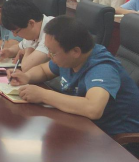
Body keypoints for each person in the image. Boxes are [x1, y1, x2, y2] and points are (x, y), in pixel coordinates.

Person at [8, 16, 139, 143]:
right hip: (84, 127)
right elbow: (44, 70)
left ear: (75, 51)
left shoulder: (102, 68)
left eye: (53, 52)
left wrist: (43, 95)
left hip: (117, 140)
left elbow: (93, 108)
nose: (49, 55)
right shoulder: (69, 58)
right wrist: (27, 76)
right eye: (48, 50)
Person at [0, 0, 54, 72]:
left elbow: (27, 67)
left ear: (31, 23)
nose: (15, 35)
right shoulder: (34, 28)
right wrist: (9, 51)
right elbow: (19, 47)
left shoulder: (52, 31)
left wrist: (28, 50)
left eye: (16, 31)